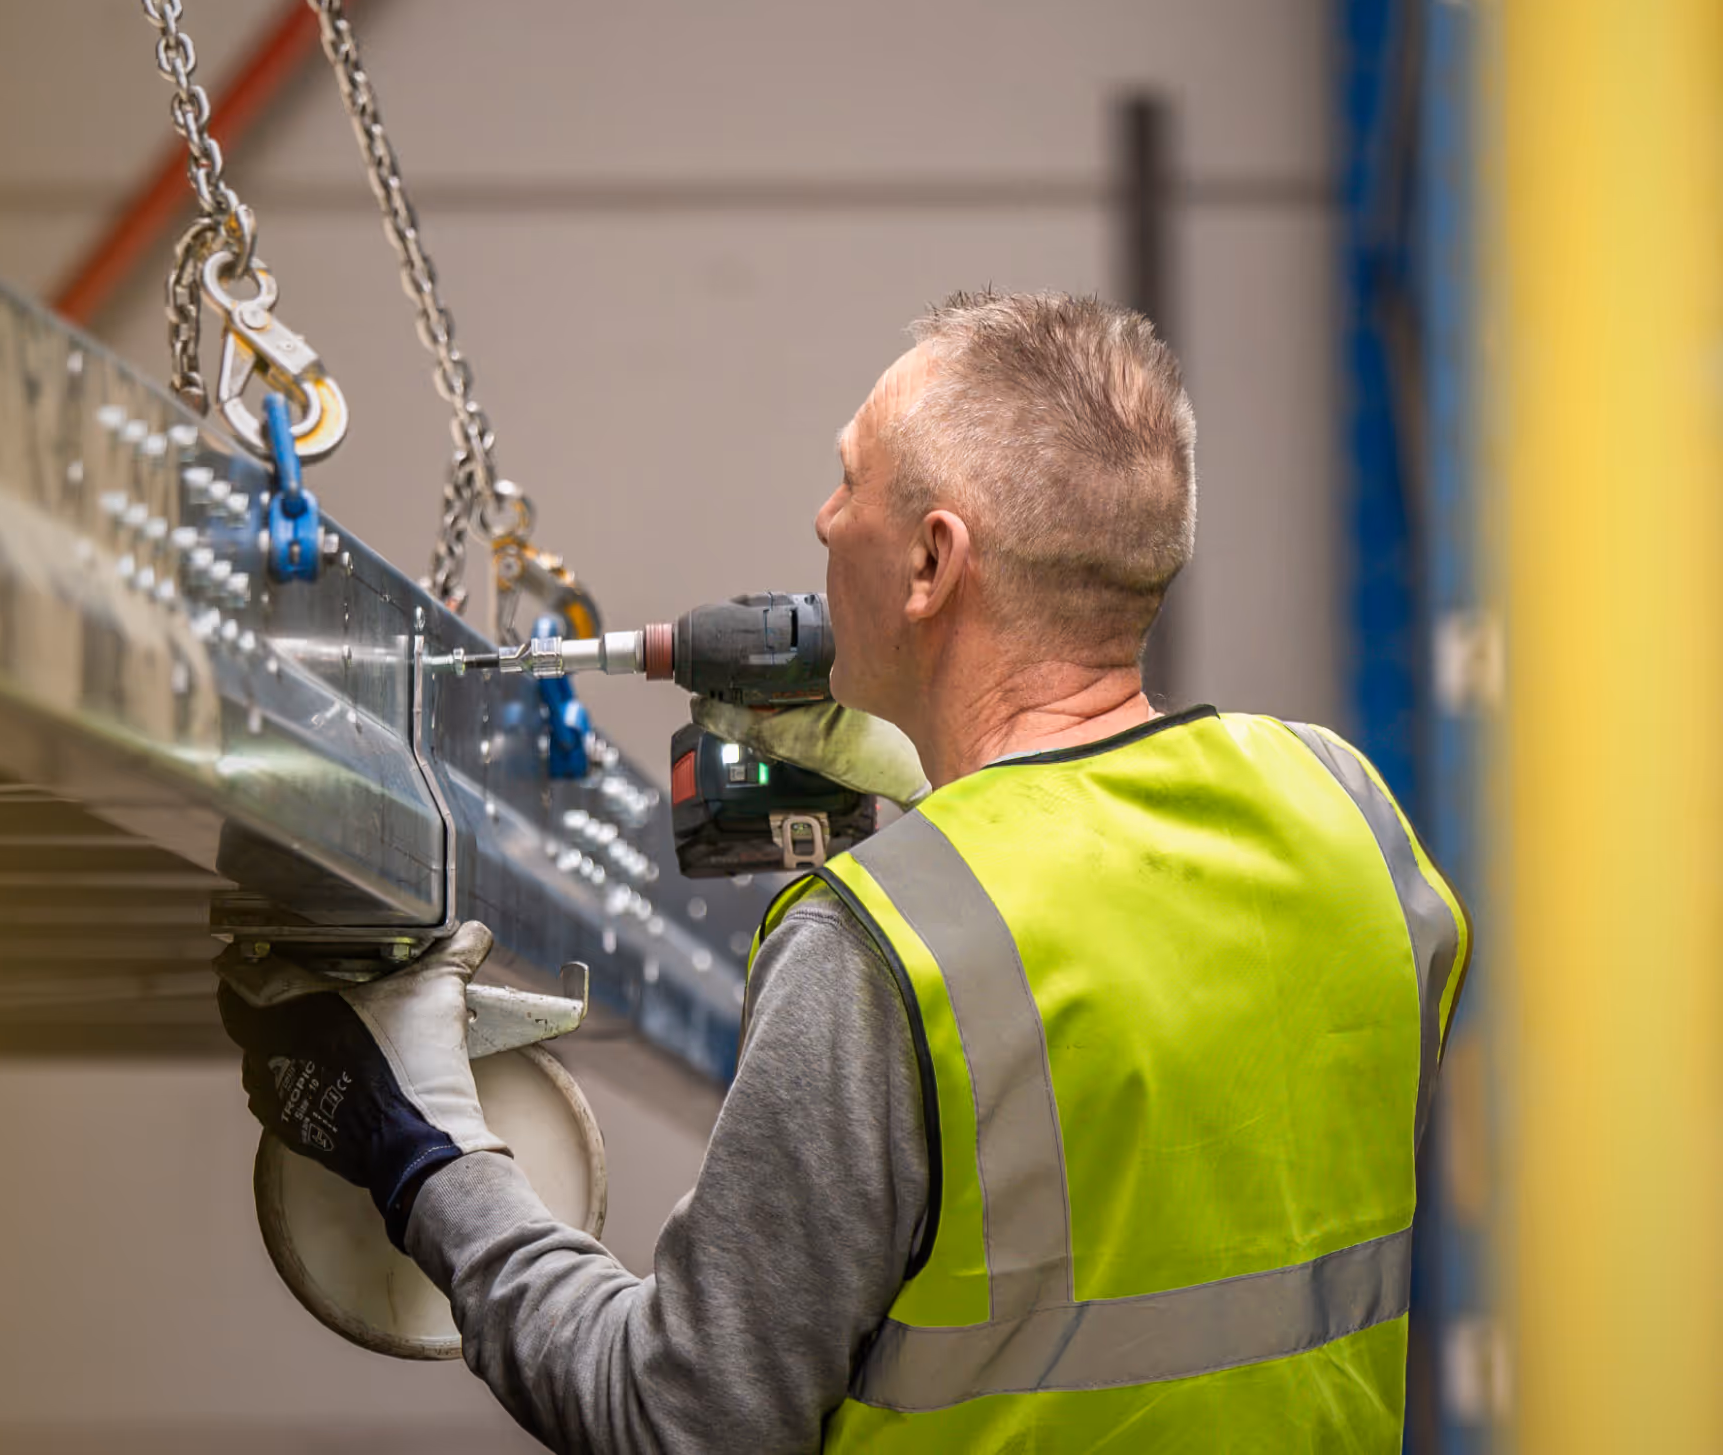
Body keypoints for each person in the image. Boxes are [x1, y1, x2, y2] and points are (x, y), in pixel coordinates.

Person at [218, 291, 1469, 1452]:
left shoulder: (883, 949)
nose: (821, 523)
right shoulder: (1345, 814)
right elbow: (1174, 1076)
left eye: (846, 480)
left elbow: (673, 1417)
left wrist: (424, 1154)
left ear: (931, 564)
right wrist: (955, 793)